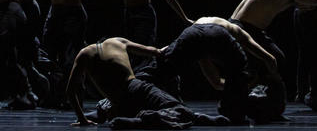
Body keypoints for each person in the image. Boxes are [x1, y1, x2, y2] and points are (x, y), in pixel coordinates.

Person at [65, 37, 226, 128]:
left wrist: (82, 119)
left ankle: (131, 119)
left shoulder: (84, 54)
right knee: (180, 110)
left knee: (105, 106)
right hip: (136, 88)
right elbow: (155, 52)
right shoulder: (117, 42)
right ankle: (148, 118)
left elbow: (71, 90)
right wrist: (179, 47)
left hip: (119, 103)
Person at [144, 16, 280, 124]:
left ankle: (138, 91)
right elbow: (270, 59)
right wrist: (272, 80)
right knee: (239, 69)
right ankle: (234, 110)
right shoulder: (236, 30)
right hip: (215, 32)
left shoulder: (202, 48)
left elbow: (216, 82)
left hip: (192, 33)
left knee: (163, 68)